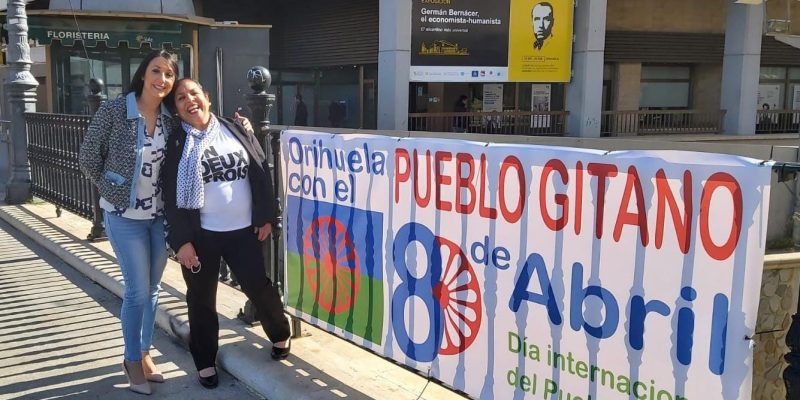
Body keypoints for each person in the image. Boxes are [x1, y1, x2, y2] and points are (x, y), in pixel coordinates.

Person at [163, 78, 291, 389]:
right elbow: (169, 195)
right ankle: (205, 361)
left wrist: (264, 217)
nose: (189, 100)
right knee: (201, 301)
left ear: (206, 97)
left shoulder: (234, 128)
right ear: (176, 109)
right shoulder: (176, 142)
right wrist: (181, 241)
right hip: (201, 235)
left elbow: (260, 171)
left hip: (243, 231)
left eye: (194, 93)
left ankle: (280, 333)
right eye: (180, 98)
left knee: (259, 287)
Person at [79, 49, 179, 395]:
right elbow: (88, 156)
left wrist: (237, 125)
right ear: (143, 74)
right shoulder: (114, 110)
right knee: (137, 291)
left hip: (159, 217)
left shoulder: (169, 117)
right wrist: (115, 191)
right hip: (124, 216)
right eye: (156, 71)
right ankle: (131, 360)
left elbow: (202, 125)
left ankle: (145, 353)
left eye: (168, 74)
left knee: (153, 291)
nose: (162, 80)